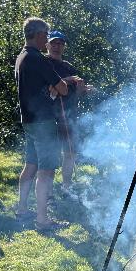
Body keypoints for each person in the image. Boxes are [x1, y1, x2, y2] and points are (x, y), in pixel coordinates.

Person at [15, 17, 69, 231]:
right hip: (43, 122)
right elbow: (63, 88)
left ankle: (21, 210)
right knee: (46, 171)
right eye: (46, 35)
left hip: (28, 121)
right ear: (38, 35)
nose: (47, 39)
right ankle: (42, 219)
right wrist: (58, 86)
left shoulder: (22, 56)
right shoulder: (37, 58)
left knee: (31, 164)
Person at [45, 30, 91, 200]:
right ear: (47, 45)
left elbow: (75, 95)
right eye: (54, 43)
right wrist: (69, 79)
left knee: (70, 153)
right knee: (50, 155)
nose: (57, 46)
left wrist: (83, 90)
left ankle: (66, 186)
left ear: (64, 46)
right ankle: (47, 191)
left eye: (60, 43)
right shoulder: (44, 63)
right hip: (49, 117)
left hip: (70, 118)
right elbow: (49, 89)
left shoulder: (68, 66)